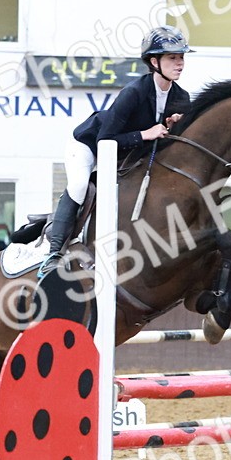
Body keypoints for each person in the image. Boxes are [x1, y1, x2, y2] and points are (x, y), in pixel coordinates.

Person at [37, 24, 193, 278]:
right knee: (79, 186)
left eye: (182, 57)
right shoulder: (133, 93)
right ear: (154, 61)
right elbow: (105, 139)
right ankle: (54, 253)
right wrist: (145, 134)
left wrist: (173, 129)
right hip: (89, 145)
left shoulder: (182, 97)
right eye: (173, 58)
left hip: (127, 154)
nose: (180, 64)